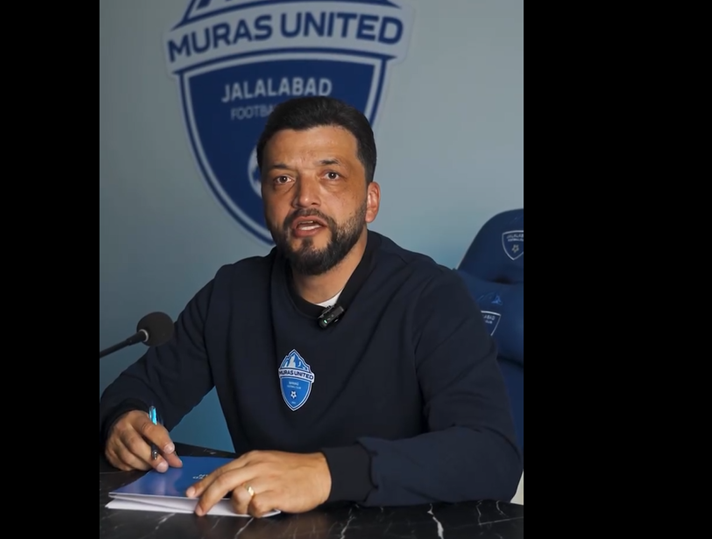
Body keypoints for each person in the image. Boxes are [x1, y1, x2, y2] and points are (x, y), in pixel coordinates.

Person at [99, 95, 522, 518]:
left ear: (370, 201)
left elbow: (492, 456)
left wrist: (327, 474)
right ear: (265, 199)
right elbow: (135, 393)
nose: (304, 198)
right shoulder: (230, 294)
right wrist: (123, 421)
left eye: (330, 175)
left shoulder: (432, 296)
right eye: (282, 179)